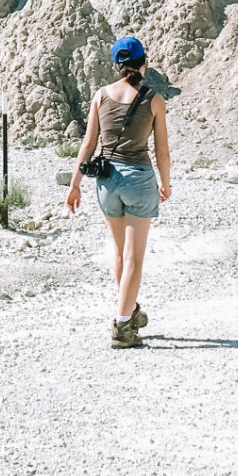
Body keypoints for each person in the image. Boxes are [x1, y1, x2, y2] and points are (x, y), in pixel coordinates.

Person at [66, 35, 172, 348]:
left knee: (120, 251)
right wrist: (165, 182)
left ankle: (131, 310)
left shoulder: (101, 95)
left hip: (106, 180)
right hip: (138, 178)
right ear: (144, 63)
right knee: (134, 257)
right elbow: (161, 149)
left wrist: (75, 185)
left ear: (117, 65)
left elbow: (88, 144)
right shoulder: (154, 99)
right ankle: (123, 324)